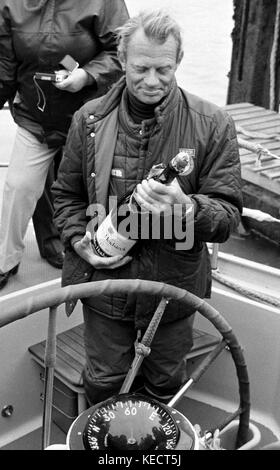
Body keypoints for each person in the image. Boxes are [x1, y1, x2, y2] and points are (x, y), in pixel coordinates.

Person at [52, 10, 243, 406]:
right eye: (141, 68)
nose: (152, 81)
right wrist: (76, 240)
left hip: (173, 292)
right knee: (104, 382)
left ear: (179, 62)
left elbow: (227, 216)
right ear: (121, 60)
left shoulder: (213, 124)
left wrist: (188, 209)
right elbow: (66, 195)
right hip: (105, 288)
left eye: (164, 69)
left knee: (165, 384)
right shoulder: (87, 119)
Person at [0, 0, 129, 289]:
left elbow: (124, 50)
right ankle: (5, 261)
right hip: (36, 117)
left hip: (92, 117)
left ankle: (103, 247)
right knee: (18, 187)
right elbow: (5, 65)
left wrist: (86, 75)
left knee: (96, 187)